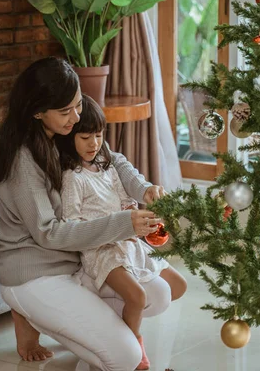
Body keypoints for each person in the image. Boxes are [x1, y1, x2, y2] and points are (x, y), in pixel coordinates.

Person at [0, 57, 182, 371]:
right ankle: (31, 313)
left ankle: (74, 329)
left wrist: (143, 189)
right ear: (37, 111)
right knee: (126, 357)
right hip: (35, 275)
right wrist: (122, 224)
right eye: (66, 111)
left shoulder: (63, 131)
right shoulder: (23, 160)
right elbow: (48, 232)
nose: (76, 117)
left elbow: (111, 159)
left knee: (159, 293)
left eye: (77, 105)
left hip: (77, 264)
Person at [56, 96, 187, 370]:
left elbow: (124, 199)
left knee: (179, 285)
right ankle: (132, 346)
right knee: (137, 298)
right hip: (101, 250)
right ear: (70, 139)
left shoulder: (108, 167)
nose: (94, 144)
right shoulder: (73, 178)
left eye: (99, 136)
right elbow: (72, 223)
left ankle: (115, 320)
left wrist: (141, 219)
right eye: (85, 137)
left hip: (126, 243)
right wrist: (120, 223)